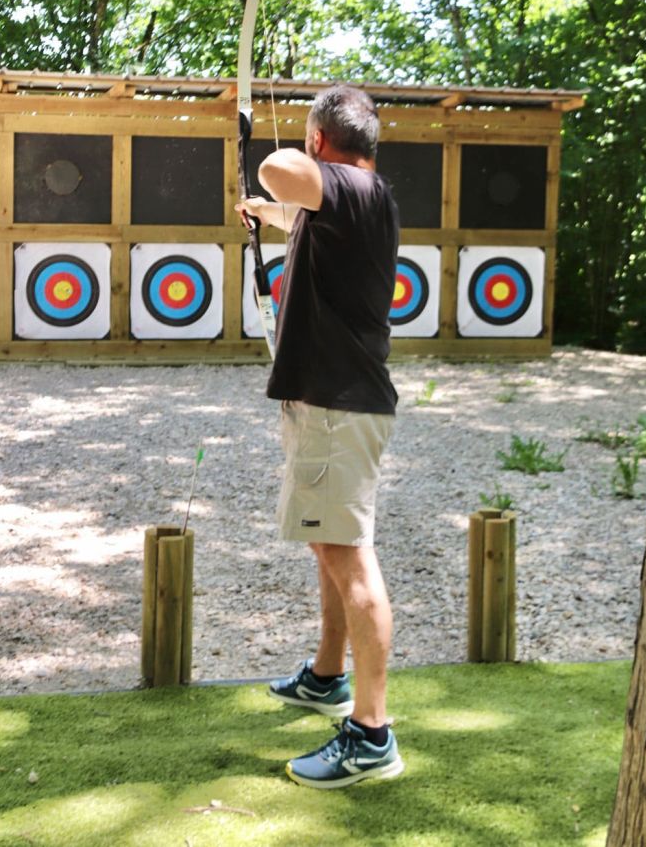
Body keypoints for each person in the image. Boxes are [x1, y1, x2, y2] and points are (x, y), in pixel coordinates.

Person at [236, 84, 403, 790]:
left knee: (349, 555)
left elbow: (281, 171)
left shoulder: (353, 189)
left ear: (321, 141)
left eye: (310, 136)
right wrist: (267, 214)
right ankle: (329, 676)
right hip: (326, 399)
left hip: (338, 403)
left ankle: (372, 732)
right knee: (327, 542)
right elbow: (294, 207)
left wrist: (270, 158)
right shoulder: (348, 204)